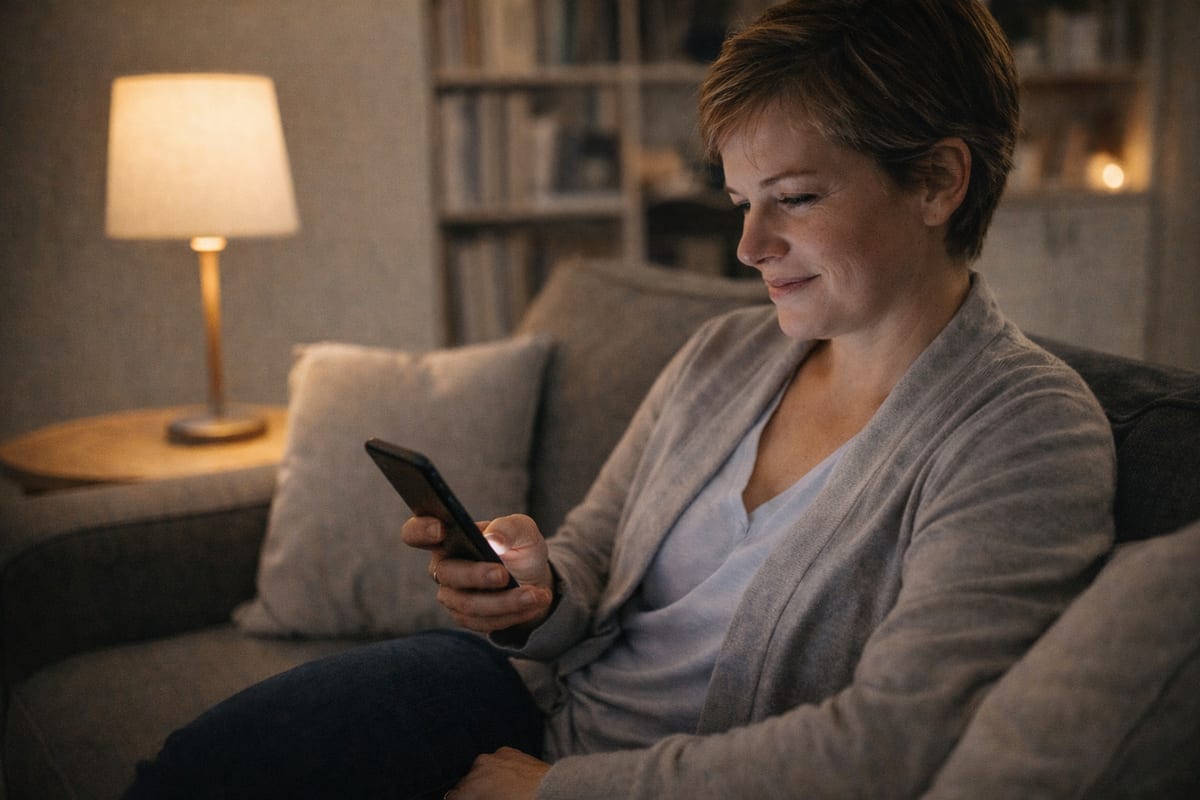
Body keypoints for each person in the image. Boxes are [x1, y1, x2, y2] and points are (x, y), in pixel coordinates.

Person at [125, 1, 1116, 798]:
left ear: (940, 179)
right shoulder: (725, 351)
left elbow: (891, 745)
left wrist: (561, 786)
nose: (749, 246)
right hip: (508, 705)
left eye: (796, 198)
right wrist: (534, 585)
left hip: (603, 775)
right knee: (182, 776)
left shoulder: (1026, 432)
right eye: (741, 202)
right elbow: (594, 553)